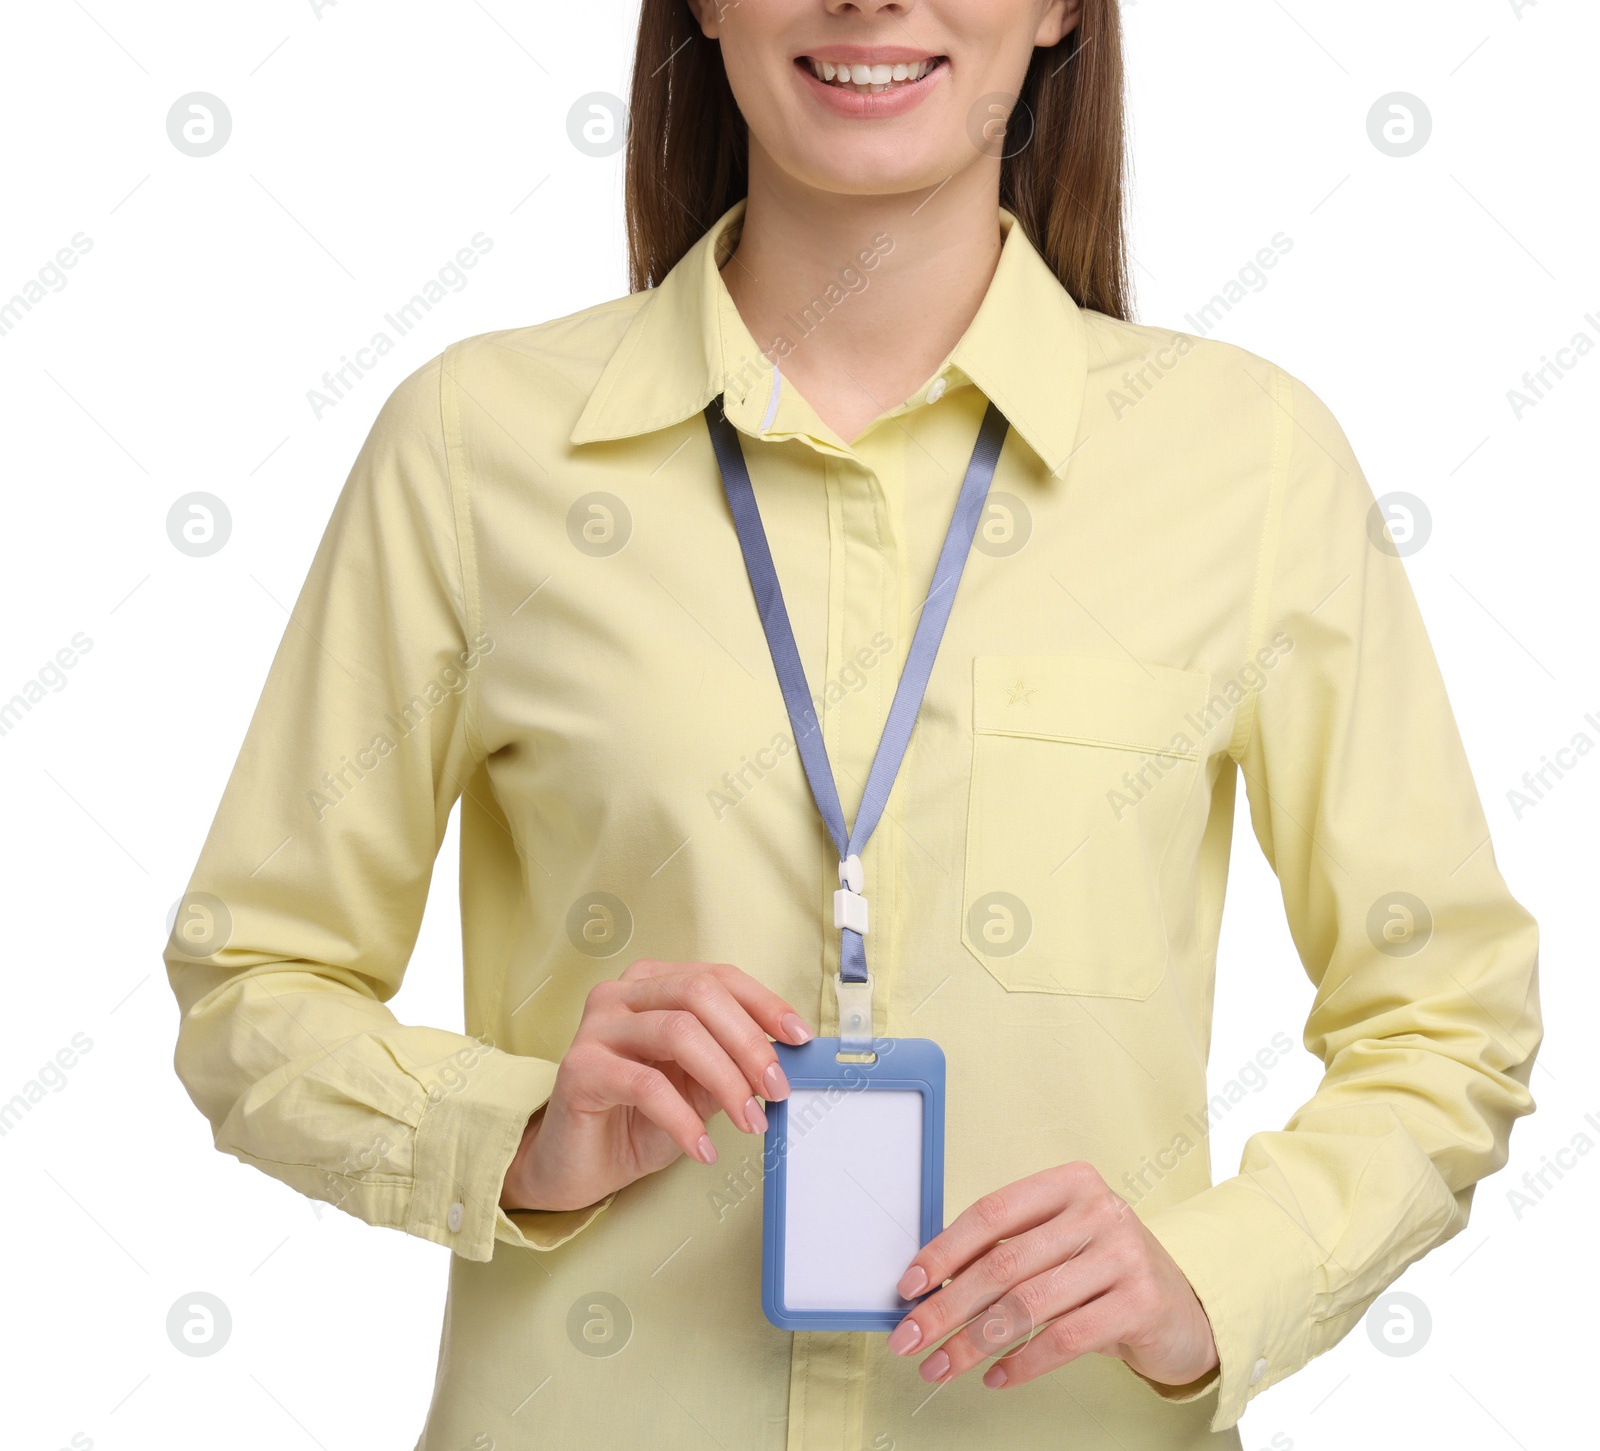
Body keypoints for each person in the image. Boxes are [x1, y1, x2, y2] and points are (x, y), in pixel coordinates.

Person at [164, 2, 1542, 1447]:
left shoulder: (1251, 464)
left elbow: (1448, 1016)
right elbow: (254, 977)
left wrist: (1216, 1276)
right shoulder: (471, 446)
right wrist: (511, 1136)